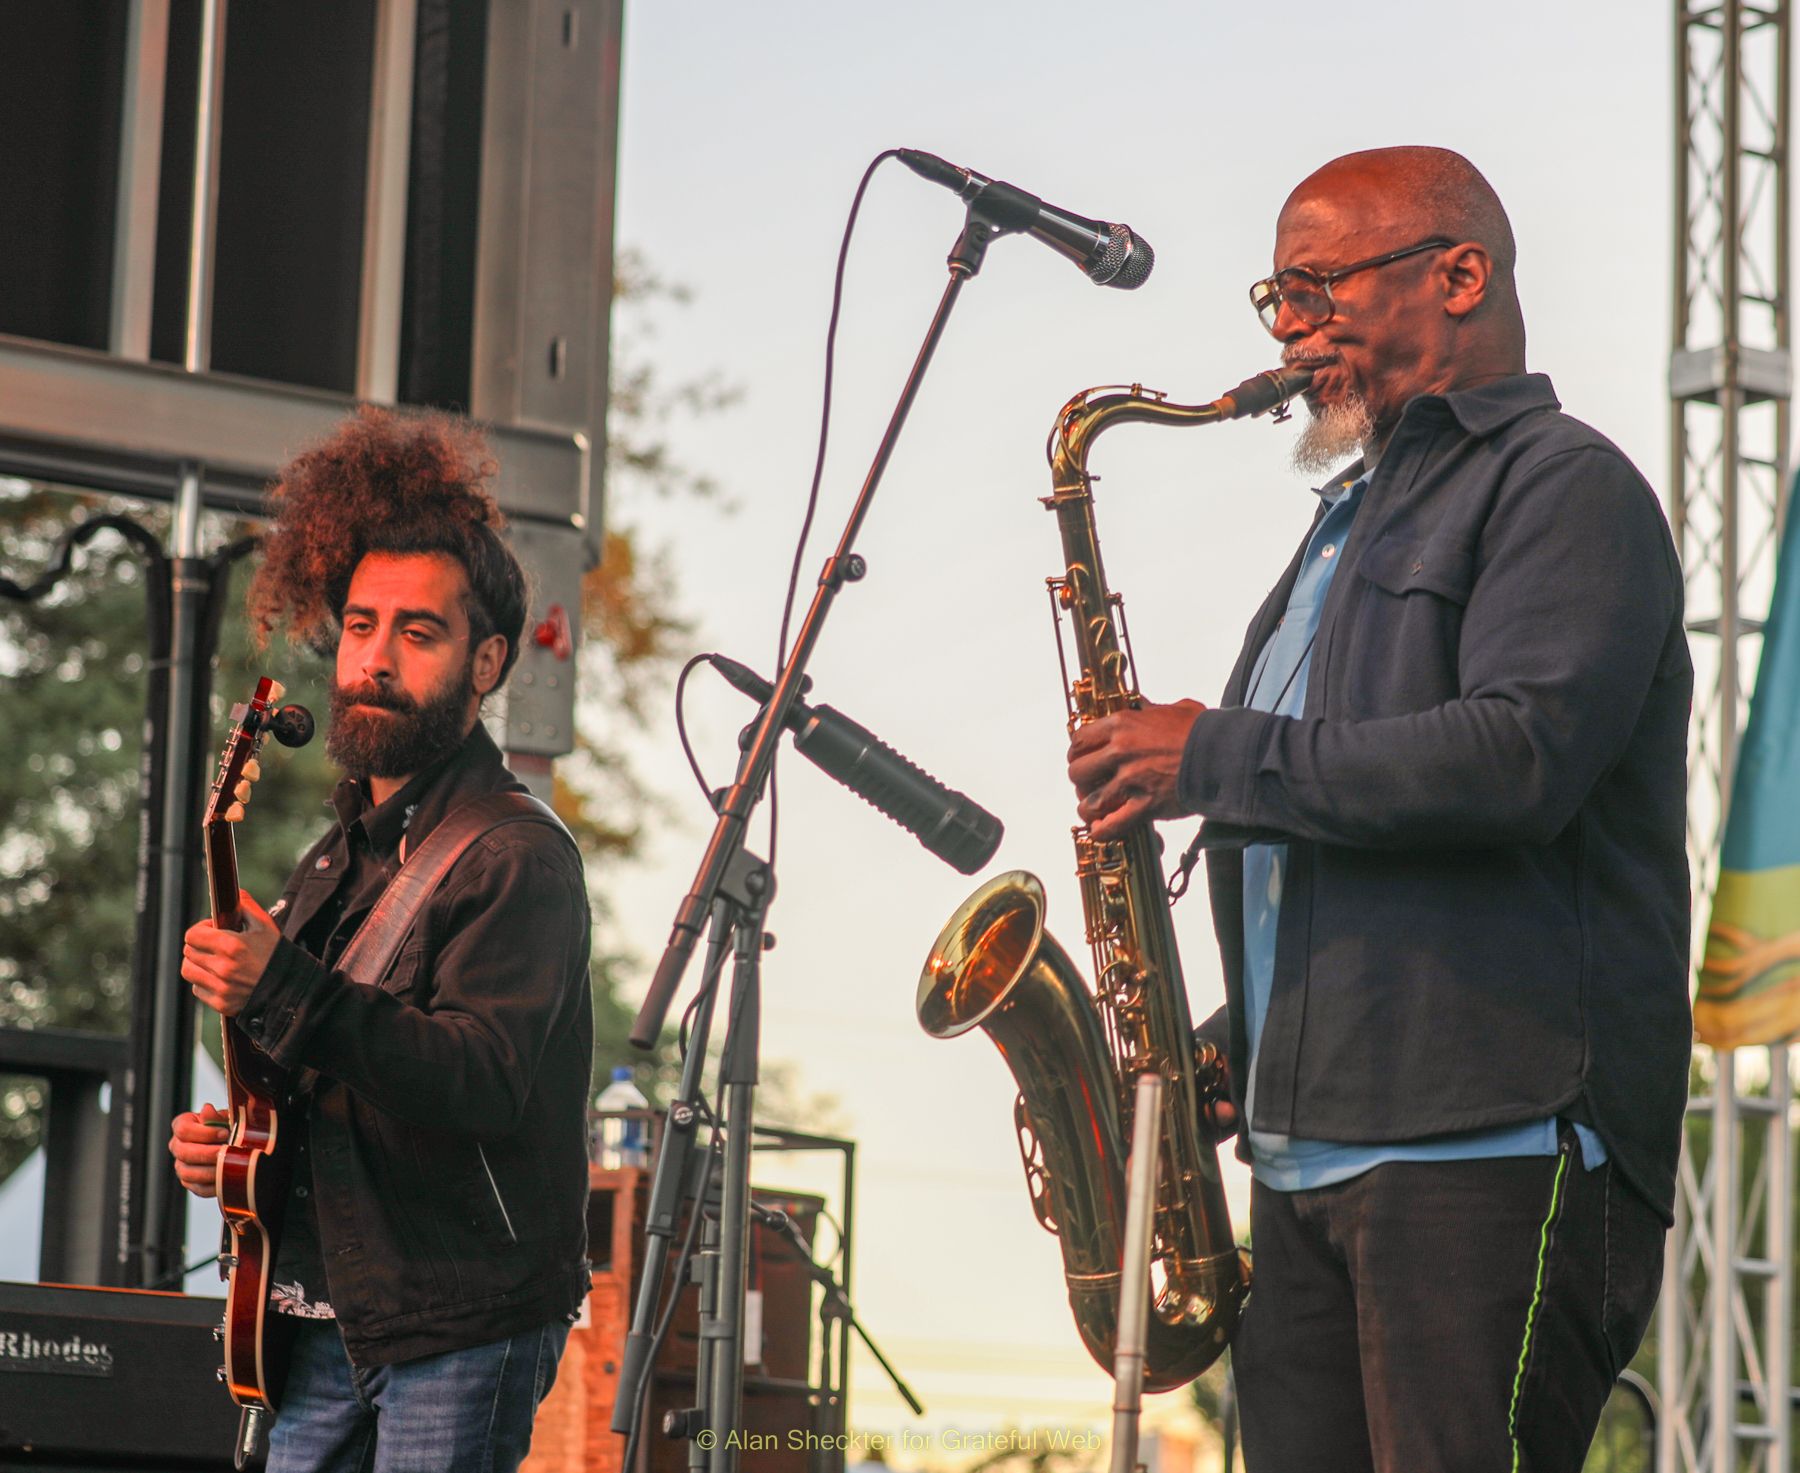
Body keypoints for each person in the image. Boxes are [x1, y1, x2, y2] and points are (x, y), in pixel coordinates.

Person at [1067, 147, 1692, 1473]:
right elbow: (1344, 830)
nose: (1287, 328)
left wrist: (1215, 754)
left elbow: (1517, 757)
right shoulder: (1342, 526)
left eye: (1314, 287)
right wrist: (1235, 1044)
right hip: (1308, 1167)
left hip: (1491, 1149)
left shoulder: (1565, 484)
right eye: (1276, 297)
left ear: (1458, 275)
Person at [168, 408, 593, 1473]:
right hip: (322, 1316)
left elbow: (479, 1078)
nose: (374, 658)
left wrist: (286, 986)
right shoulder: (338, 856)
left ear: (486, 660)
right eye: (361, 626)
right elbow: (330, 1085)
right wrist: (234, 1147)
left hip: (461, 1320)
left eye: (418, 633)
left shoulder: (516, 855)